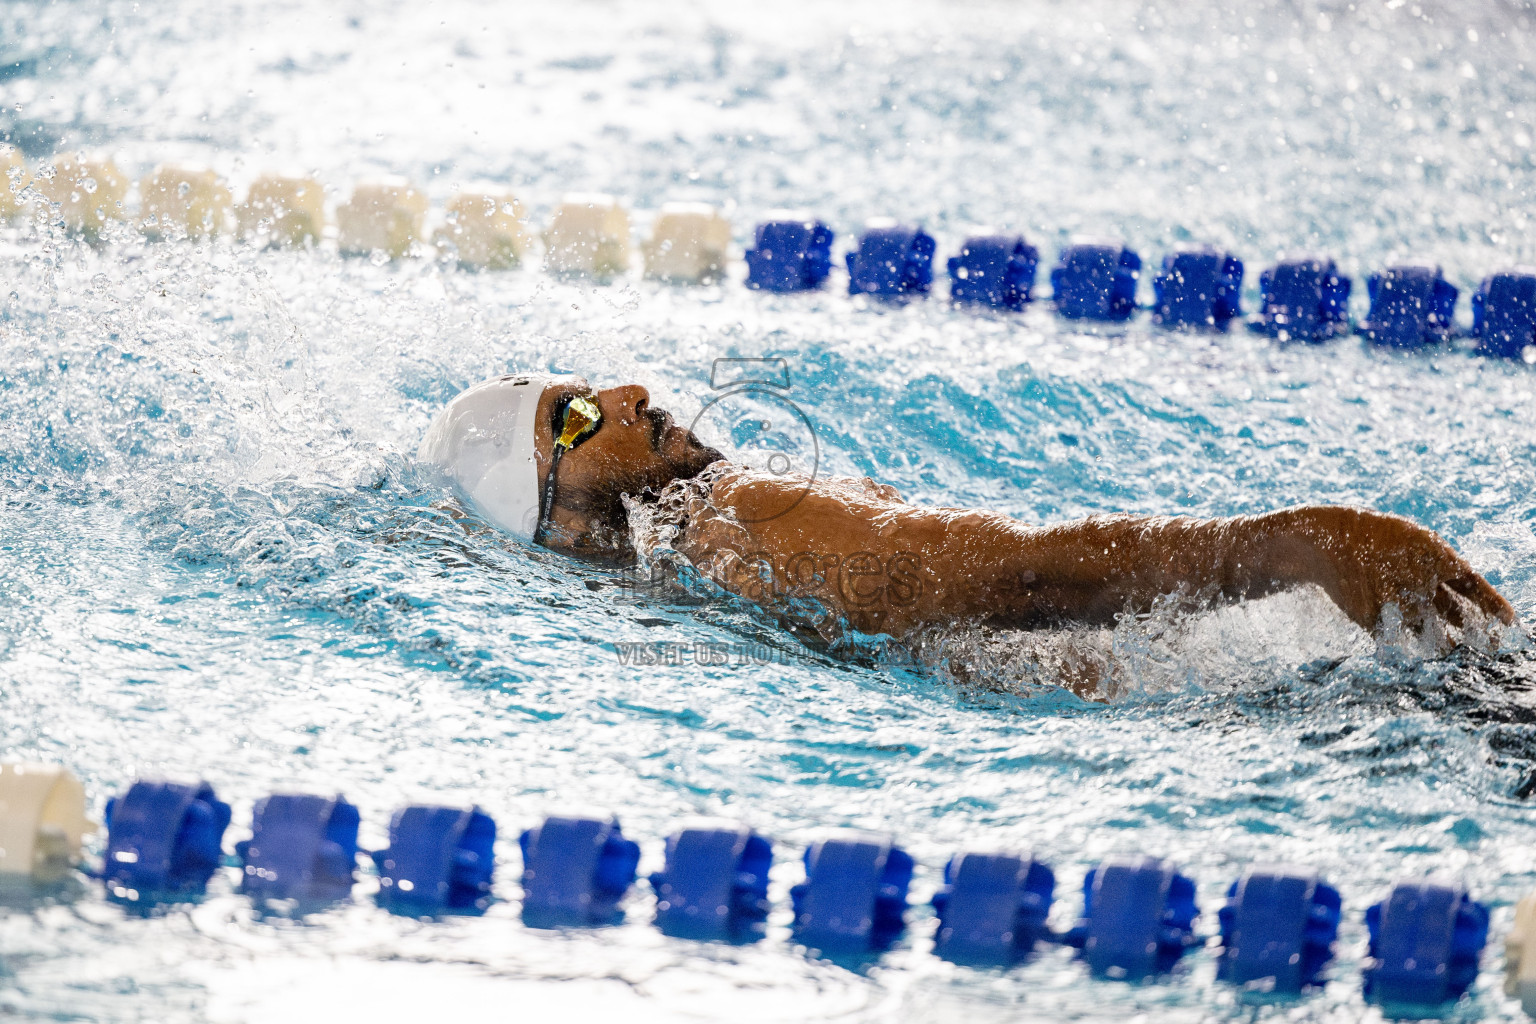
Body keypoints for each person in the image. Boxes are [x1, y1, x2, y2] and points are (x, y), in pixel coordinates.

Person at [417, 374, 1516, 650]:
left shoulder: (701, 579)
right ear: (558, 523)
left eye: (586, 385)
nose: (622, 396)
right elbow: (1026, 575)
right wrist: (1300, 543)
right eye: (570, 422)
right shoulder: (741, 519)